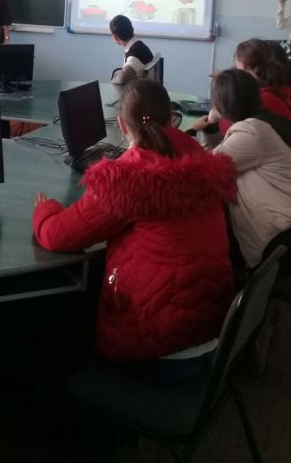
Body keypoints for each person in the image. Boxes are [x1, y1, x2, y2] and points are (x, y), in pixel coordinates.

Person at [33, 79, 237, 376]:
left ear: (121, 124)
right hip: (214, 333)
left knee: (60, 322)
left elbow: (57, 236)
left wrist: (45, 209)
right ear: (171, 119)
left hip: (160, 351)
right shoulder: (198, 157)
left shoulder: (127, 179)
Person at [196, 69, 291, 270]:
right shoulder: (261, 124)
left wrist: (192, 131)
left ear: (222, 105)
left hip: (289, 238)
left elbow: (205, 169)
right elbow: (219, 156)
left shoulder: (251, 133)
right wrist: (212, 126)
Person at [109, 14, 154, 85]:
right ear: (131, 29)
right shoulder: (138, 45)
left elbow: (122, 78)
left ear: (115, 37)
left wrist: (112, 81)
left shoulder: (136, 52)